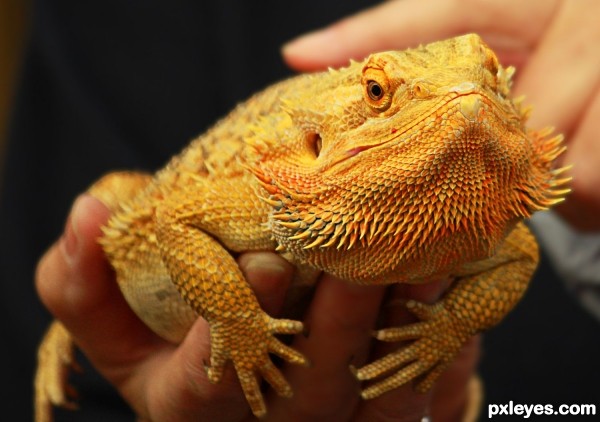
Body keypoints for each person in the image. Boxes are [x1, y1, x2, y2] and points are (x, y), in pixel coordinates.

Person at [3, 1, 599, 421]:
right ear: (318, 143)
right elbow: (176, 219)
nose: (468, 102)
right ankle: (66, 329)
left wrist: (443, 333)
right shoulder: (264, 197)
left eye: (488, 75)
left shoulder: (491, 231)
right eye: (379, 95)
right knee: (108, 198)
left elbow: (518, 256)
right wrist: (236, 321)